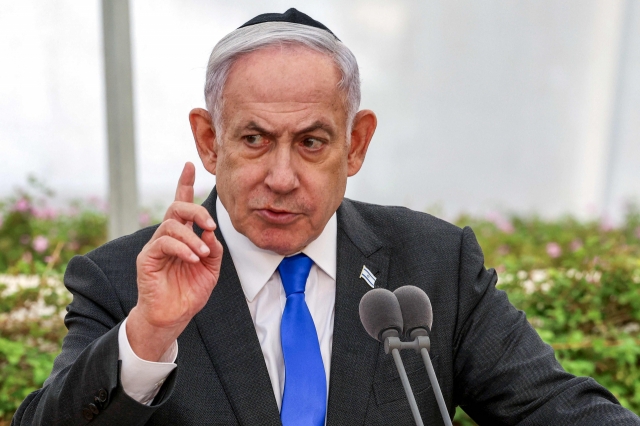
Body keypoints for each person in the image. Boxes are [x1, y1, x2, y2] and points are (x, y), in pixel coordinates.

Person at [12, 8, 640, 426]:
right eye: (254, 139)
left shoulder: (433, 265)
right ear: (209, 142)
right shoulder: (124, 280)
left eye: (311, 143)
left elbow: (560, 410)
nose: (281, 177)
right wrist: (149, 332)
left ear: (356, 144)